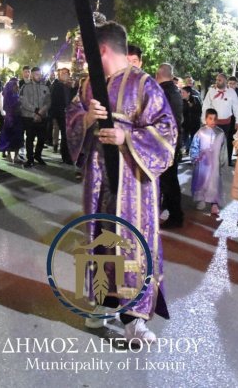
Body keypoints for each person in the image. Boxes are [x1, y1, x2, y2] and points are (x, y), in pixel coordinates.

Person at [66, 21, 177, 344]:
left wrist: (126, 135)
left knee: (132, 243)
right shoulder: (88, 86)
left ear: (102, 49)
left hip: (133, 184)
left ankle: (134, 318)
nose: (84, 59)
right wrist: (86, 118)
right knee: (99, 236)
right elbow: (72, 115)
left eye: (88, 51)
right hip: (100, 184)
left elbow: (167, 131)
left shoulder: (143, 85)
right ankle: (103, 302)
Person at [156, 63, 184, 228]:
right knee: (170, 180)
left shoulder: (163, 92)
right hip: (173, 142)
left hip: (165, 143)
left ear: (158, 75)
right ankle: (172, 212)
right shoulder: (175, 91)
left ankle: (175, 216)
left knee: (169, 181)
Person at [190, 108, 227, 217]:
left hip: (215, 164)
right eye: (210, 118)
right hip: (202, 163)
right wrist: (195, 157)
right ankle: (201, 199)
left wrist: (222, 162)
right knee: (201, 181)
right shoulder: (200, 132)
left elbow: (223, 149)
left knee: (214, 182)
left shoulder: (220, 133)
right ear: (206, 119)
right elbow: (194, 145)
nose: (213, 121)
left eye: (215, 119)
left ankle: (214, 203)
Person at [202, 73, 238, 166]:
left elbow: (236, 107)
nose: (217, 82)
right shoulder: (211, 91)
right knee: (212, 143)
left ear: (225, 81)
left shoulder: (231, 92)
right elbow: (205, 106)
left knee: (224, 143)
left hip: (227, 123)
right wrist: (204, 121)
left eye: (219, 80)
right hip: (213, 123)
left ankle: (224, 162)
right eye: (216, 80)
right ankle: (212, 163)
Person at [19, 66, 50, 168]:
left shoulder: (45, 87)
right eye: (37, 74)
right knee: (30, 139)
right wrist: (35, 112)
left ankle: (38, 155)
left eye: (40, 74)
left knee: (41, 138)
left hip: (42, 117)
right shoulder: (25, 87)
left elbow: (48, 102)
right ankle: (30, 159)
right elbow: (23, 102)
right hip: (29, 117)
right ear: (32, 75)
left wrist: (41, 112)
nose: (39, 76)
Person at [49, 67, 75, 165]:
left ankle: (68, 155)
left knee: (67, 135)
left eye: (66, 73)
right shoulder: (56, 85)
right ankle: (66, 157)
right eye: (62, 73)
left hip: (69, 113)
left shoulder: (69, 86)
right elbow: (53, 101)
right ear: (59, 75)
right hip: (61, 114)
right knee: (65, 134)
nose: (64, 75)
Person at [0, 76, 24, 163]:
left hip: (18, 119)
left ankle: (16, 156)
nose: (17, 87)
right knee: (9, 138)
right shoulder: (8, 97)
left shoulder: (18, 95)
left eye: (17, 85)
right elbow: (6, 107)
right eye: (15, 85)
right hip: (10, 119)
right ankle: (9, 155)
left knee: (18, 138)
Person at [181, 85, 202, 156]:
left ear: (188, 93)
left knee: (194, 138)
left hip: (194, 123)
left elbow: (200, 111)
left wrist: (192, 107)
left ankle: (193, 153)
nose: (181, 94)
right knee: (185, 138)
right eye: (181, 92)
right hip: (185, 123)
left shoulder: (195, 99)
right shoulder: (182, 101)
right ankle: (188, 149)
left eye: (183, 92)